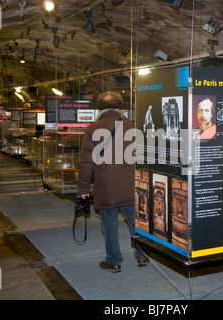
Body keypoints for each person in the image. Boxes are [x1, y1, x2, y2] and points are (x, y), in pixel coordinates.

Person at [78, 91, 149, 273]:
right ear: (120, 107)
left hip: (107, 186)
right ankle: (142, 255)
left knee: (109, 224)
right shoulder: (133, 126)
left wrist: (83, 189)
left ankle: (114, 261)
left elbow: (86, 162)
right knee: (136, 221)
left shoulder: (93, 128)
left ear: (99, 107)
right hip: (131, 185)